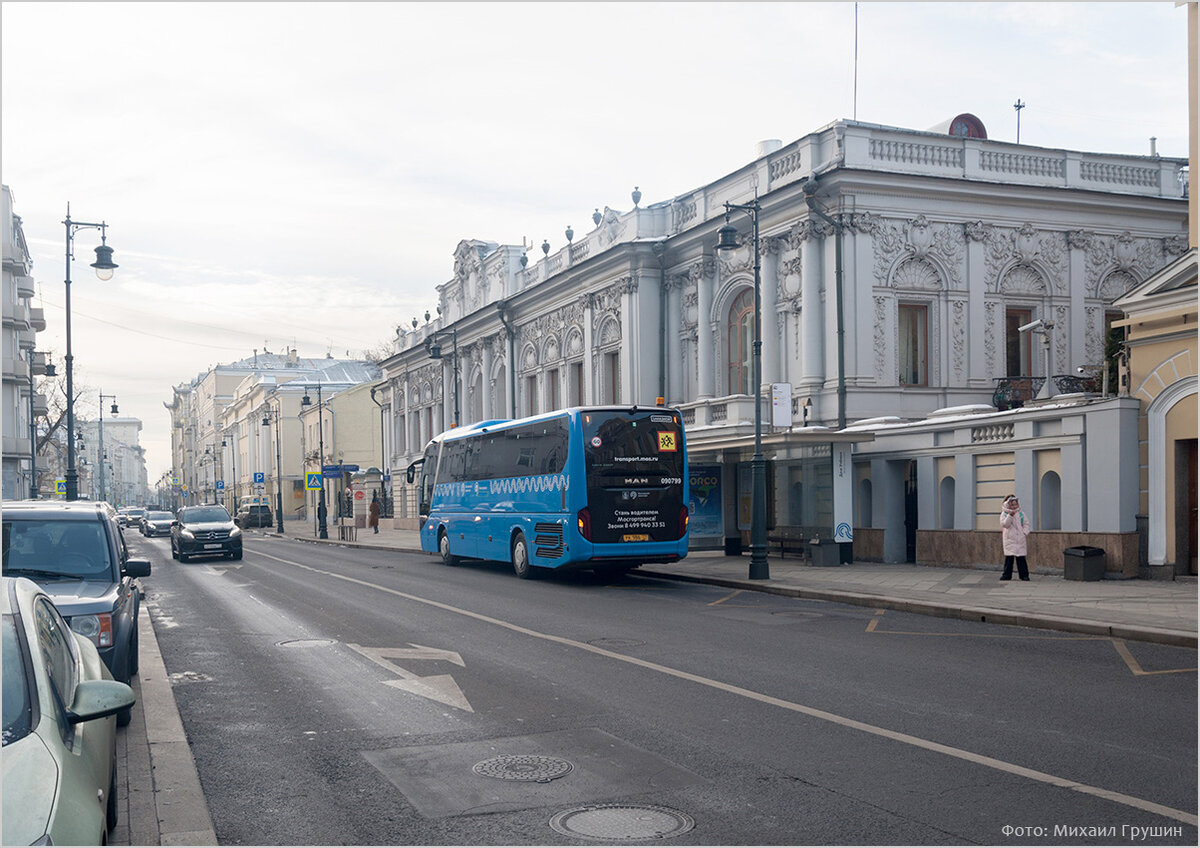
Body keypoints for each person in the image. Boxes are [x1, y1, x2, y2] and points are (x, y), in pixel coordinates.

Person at [999, 494, 1031, 581]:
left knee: (1021, 558)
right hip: (1009, 539)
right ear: (1007, 504)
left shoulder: (1021, 514)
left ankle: (1024, 575)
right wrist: (1010, 516)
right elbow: (1005, 524)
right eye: (1012, 505)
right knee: (1009, 558)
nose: (1014, 506)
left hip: (1020, 539)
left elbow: (1026, 524)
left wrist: (1024, 532)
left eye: (1015, 504)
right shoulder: (1004, 514)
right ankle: (1007, 575)